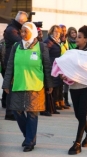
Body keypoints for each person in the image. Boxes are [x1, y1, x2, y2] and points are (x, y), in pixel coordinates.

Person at [2, 22, 53, 152]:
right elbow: (10, 67)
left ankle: (30, 142)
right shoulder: (16, 46)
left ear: (33, 32)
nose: (22, 34)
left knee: (32, 114)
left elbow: (47, 67)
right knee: (16, 111)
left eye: (26, 31)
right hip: (18, 84)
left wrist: (49, 84)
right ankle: (29, 136)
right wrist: (6, 83)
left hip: (35, 86)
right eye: (21, 32)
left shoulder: (41, 47)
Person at [57, 25, 87, 155]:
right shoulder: (72, 52)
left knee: (82, 114)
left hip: (86, 87)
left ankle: (77, 144)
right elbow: (65, 66)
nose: (77, 38)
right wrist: (63, 74)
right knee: (78, 114)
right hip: (74, 87)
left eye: (79, 37)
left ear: (86, 39)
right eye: (77, 36)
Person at [3, 11, 28, 120]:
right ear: (21, 21)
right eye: (25, 22)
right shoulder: (12, 30)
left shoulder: (14, 28)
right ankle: (9, 113)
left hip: (12, 62)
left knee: (11, 88)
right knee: (11, 89)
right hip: (10, 63)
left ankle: (10, 110)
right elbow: (21, 42)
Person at [44, 25, 68, 110]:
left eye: (59, 32)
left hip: (57, 66)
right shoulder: (49, 42)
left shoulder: (58, 41)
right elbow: (46, 55)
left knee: (58, 84)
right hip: (51, 66)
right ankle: (53, 104)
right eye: (55, 31)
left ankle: (57, 102)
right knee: (53, 85)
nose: (57, 33)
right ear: (51, 32)